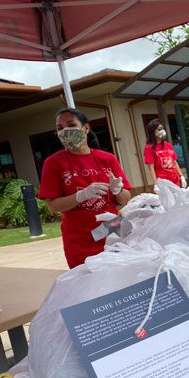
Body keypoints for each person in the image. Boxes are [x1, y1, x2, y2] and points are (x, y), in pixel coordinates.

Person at [39, 108, 132, 269]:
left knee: (122, 277)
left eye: (70, 124)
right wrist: (81, 195)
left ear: (86, 128)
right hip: (79, 236)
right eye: (60, 128)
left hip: (112, 226)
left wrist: (118, 191)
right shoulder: (53, 163)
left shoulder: (107, 159)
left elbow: (125, 200)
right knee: (90, 283)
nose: (65, 131)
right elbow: (53, 207)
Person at [144, 119, 187, 191]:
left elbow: (174, 162)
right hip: (163, 182)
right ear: (153, 132)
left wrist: (181, 176)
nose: (162, 131)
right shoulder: (149, 148)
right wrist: (155, 184)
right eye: (159, 129)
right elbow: (151, 168)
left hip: (175, 180)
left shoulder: (168, 145)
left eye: (162, 128)